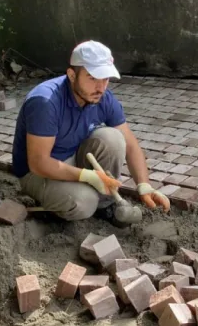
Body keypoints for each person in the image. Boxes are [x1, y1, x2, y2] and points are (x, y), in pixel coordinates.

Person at [11, 40, 171, 223]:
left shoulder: (102, 97)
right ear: (72, 75)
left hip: (72, 155)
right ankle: (57, 210)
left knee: (113, 138)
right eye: (93, 78)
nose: (101, 87)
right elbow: (39, 163)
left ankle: (104, 205)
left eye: (105, 78)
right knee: (84, 202)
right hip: (37, 173)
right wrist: (86, 176)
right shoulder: (45, 102)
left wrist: (144, 186)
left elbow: (131, 146)